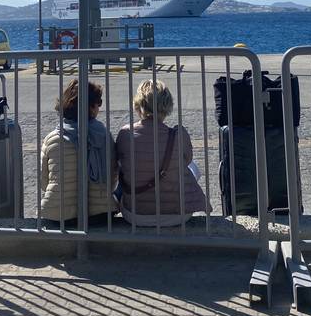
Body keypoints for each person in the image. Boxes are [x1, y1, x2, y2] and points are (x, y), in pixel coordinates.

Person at [116, 79, 208, 226]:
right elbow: (187, 160)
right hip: (178, 215)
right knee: (192, 167)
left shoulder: (126, 134)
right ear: (167, 105)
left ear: (138, 105)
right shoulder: (178, 135)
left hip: (135, 214)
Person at [40, 79, 117, 225]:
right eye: (98, 103)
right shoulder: (103, 135)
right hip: (100, 213)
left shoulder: (51, 138)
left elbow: (43, 181)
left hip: (58, 213)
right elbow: (112, 178)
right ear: (92, 107)